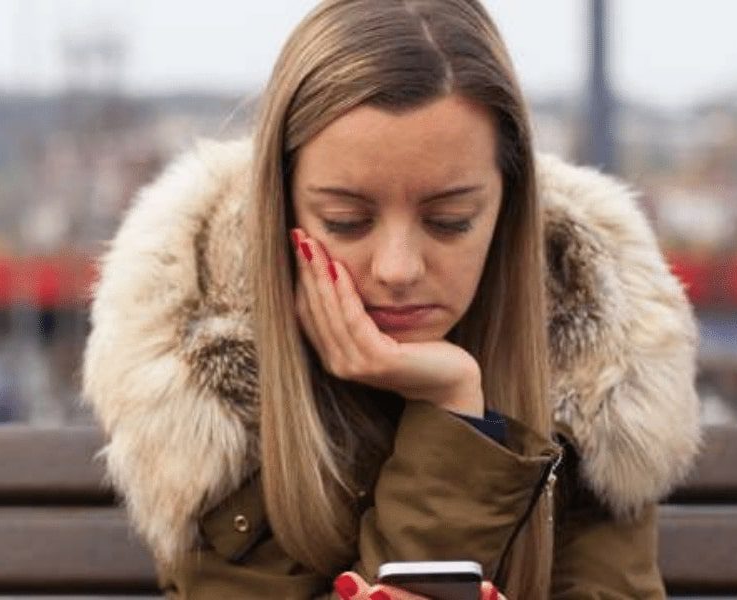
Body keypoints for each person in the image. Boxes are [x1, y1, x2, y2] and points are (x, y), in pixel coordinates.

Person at [80, 0, 702, 598]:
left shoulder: (597, 362)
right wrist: (454, 407)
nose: (397, 269)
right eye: (347, 221)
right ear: (282, 203)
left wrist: (453, 410)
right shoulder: (199, 389)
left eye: (450, 220)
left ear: (508, 209)